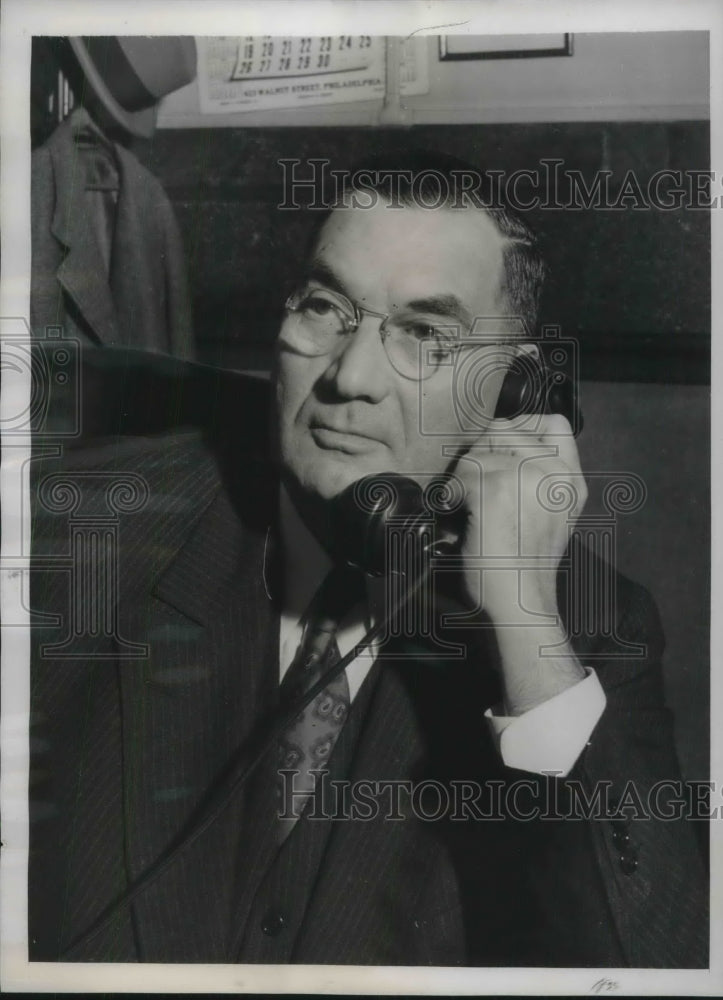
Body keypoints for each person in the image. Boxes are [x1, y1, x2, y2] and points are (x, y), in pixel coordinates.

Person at [28, 153, 707, 967]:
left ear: (514, 393)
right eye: (325, 308)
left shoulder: (586, 631)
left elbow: (649, 968)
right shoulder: (79, 530)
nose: (349, 377)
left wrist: (524, 626)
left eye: (424, 335)